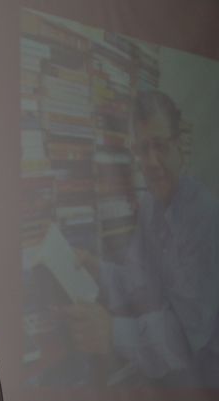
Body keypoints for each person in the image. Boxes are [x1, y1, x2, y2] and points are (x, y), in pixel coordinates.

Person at [63, 90, 219, 386]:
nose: (152, 161)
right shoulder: (149, 206)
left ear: (180, 145)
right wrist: (97, 269)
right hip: (168, 376)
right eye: (143, 149)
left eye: (160, 146)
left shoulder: (206, 217)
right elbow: (138, 282)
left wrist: (112, 332)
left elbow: (186, 335)